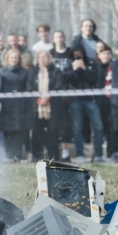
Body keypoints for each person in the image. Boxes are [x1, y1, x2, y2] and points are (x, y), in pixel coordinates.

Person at [66, 46, 105, 163]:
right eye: (75, 54)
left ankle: (98, 154)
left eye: (80, 54)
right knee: (77, 128)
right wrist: (74, 70)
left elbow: (94, 80)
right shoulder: (69, 64)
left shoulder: (91, 64)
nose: (78, 56)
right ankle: (79, 155)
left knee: (98, 126)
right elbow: (68, 80)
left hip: (90, 99)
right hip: (75, 100)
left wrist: (84, 69)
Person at [28, 50, 63, 160]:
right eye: (40, 57)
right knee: (37, 133)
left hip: (52, 108)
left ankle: (54, 158)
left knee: (52, 133)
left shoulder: (56, 71)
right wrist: (39, 99)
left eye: (45, 57)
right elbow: (29, 87)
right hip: (36, 108)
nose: (42, 59)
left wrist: (47, 97)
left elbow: (59, 86)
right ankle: (37, 158)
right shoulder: (33, 72)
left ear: (49, 58)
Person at [0, 49, 29, 161]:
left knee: (19, 133)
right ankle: (9, 156)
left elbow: (27, 88)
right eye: (12, 57)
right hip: (6, 106)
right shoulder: (2, 72)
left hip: (21, 106)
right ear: (7, 59)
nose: (14, 60)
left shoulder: (24, 72)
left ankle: (17, 157)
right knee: (7, 132)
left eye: (16, 58)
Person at [50, 31, 73, 160]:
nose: (59, 39)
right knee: (56, 125)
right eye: (57, 37)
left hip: (69, 93)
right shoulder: (50, 53)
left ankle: (66, 152)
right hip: (55, 95)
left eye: (61, 36)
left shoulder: (70, 53)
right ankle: (56, 152)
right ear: (53, 39)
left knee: (67, 125)